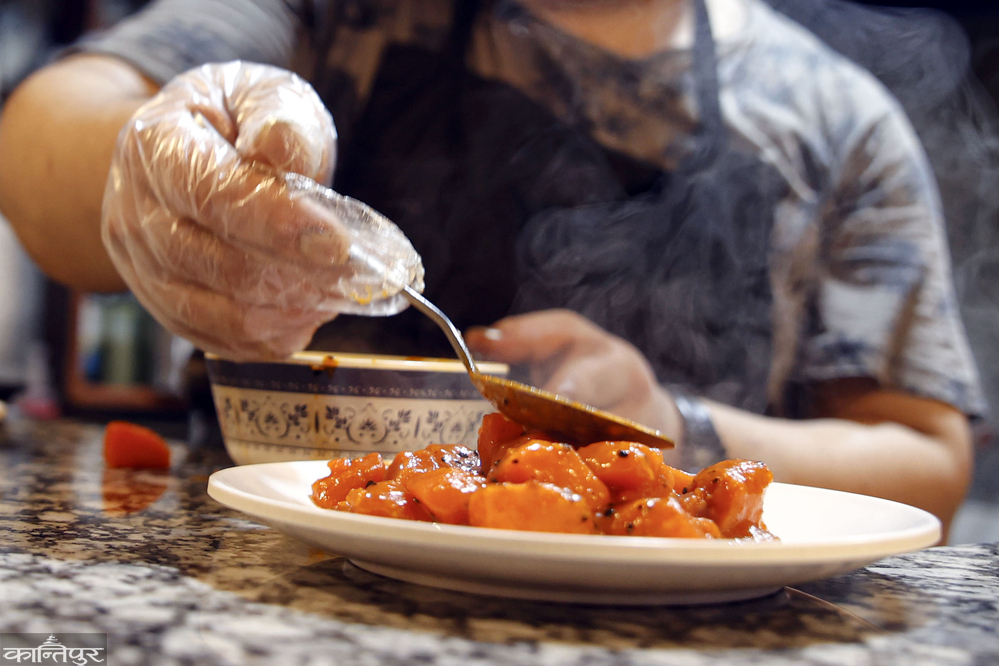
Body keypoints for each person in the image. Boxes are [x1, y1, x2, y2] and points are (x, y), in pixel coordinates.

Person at [0, 0, 984, 536]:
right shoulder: (337, 16)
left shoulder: (838, 121)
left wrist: (675, 428)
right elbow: (45, 128)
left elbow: (927, 461)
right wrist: (146, 158)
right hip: (271, 564)